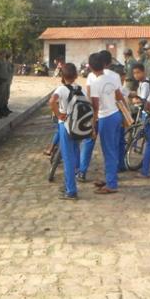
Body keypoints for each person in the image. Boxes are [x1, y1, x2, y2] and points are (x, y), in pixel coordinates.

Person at [89, 52, 124, 194]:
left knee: (108, 151)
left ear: (91, 67)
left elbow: (95, 106)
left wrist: (92, 124)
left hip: (105, 118)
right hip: (116, 114)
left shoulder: (95, 83)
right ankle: (111, 177)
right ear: (104, 64)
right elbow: (119, 96)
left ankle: (111, 184)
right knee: (114, 149)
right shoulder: (113, 77)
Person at [49, 63, 83, 200]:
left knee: (67, 158)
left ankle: (71, 191)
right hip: (77, 126)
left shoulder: (61, 89)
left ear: (62, 76)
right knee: (75, 155)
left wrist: (58, 114)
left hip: (65, 125)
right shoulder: (79, 89)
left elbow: (51, 101)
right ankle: (69, 183)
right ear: (75, 76)